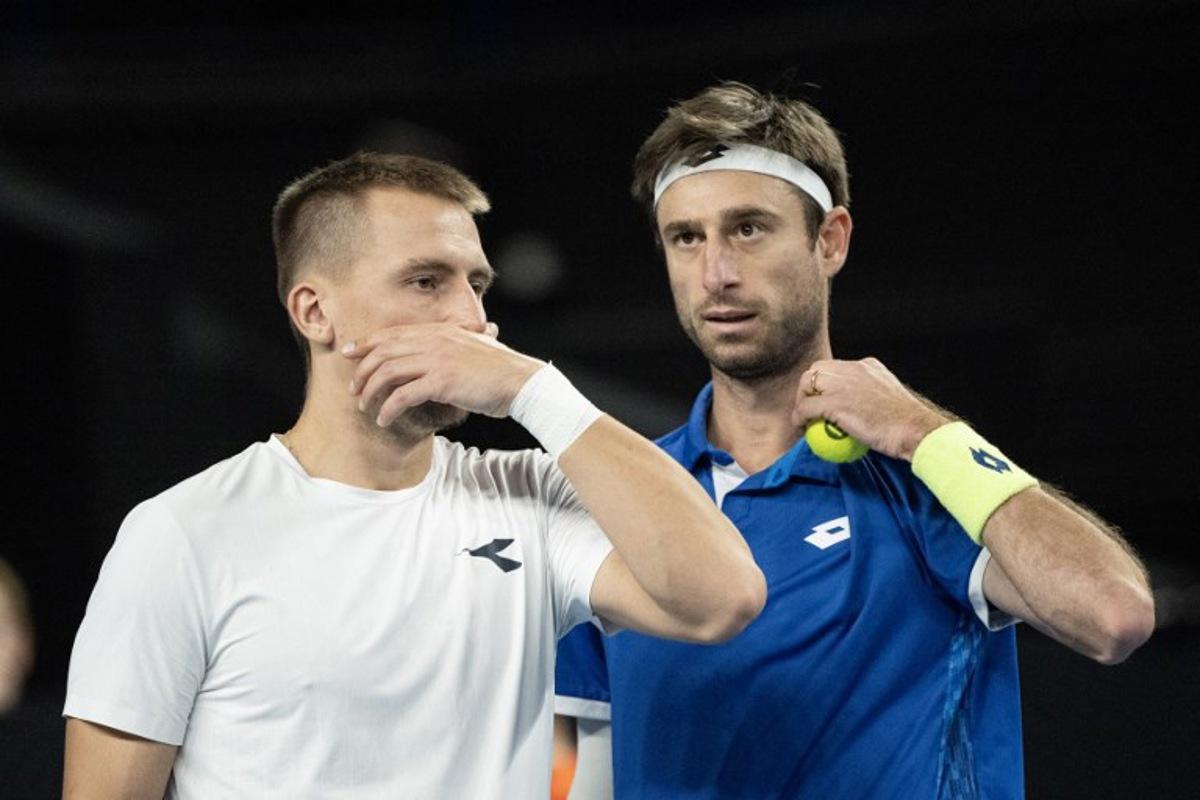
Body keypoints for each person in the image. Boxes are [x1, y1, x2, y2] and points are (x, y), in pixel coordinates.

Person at [62, 151, 767, 799]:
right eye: (426, 281)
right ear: (315, 312)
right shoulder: (184, 534)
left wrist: (537, 392)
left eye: (478, 286)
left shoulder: (528, 495)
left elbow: (724, 597)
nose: (472, 318)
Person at [555, 82, 1155, 799]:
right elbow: (580, 760)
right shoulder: (613, 498)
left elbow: (1114, 614)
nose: (716, 274)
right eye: (688, 237)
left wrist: (922, 432)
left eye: (748, 228)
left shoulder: (922, 475)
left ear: (830, 239)